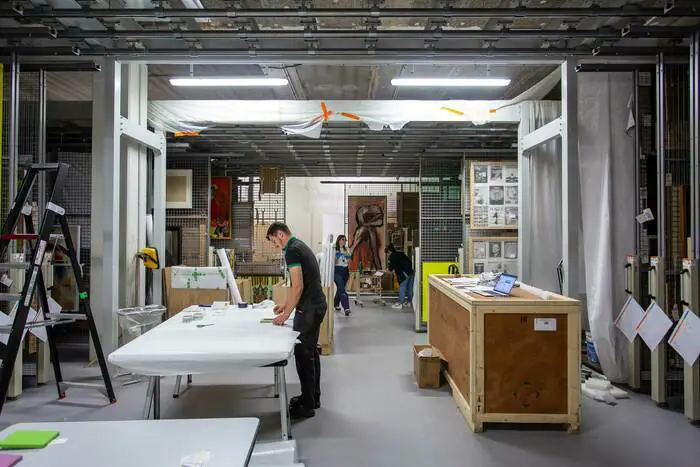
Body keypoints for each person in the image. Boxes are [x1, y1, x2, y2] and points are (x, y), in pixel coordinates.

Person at [267, 222, 327, 419]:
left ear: (280, 234)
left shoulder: (292, 250)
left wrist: (285, 315)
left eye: (275, 242)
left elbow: (298, 286)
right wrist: (286, 305)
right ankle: (312, 398)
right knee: (311, 354)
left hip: (309, 309)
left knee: (303, 356)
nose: (277, 246)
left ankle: (307, 405)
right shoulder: (300, 246)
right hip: (315, 305)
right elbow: (301, 285)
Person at [386, 243, 414, 309]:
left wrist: (388, 269)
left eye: (387, 253)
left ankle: (401, 303)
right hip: (411, 272)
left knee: (402, 288)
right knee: (409, 289)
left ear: (389, 251)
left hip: (404, 274)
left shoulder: (391, 257)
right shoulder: (401, 254)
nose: (387, 254)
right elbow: (409, 262)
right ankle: (409, 302)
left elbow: (390, 269)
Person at [333, 235, 353, 316]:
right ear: (338, 240)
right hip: (337, 270)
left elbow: (348, 260)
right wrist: (338, 256)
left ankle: (336, 304)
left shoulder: (346, 249)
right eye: (342, 239)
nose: (344, 241)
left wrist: (345, 254)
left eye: (345, 240)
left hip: (345, 271)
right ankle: (346, 308)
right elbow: (334, 262)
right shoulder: (334, 249)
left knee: (340, 289)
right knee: (342, 289)